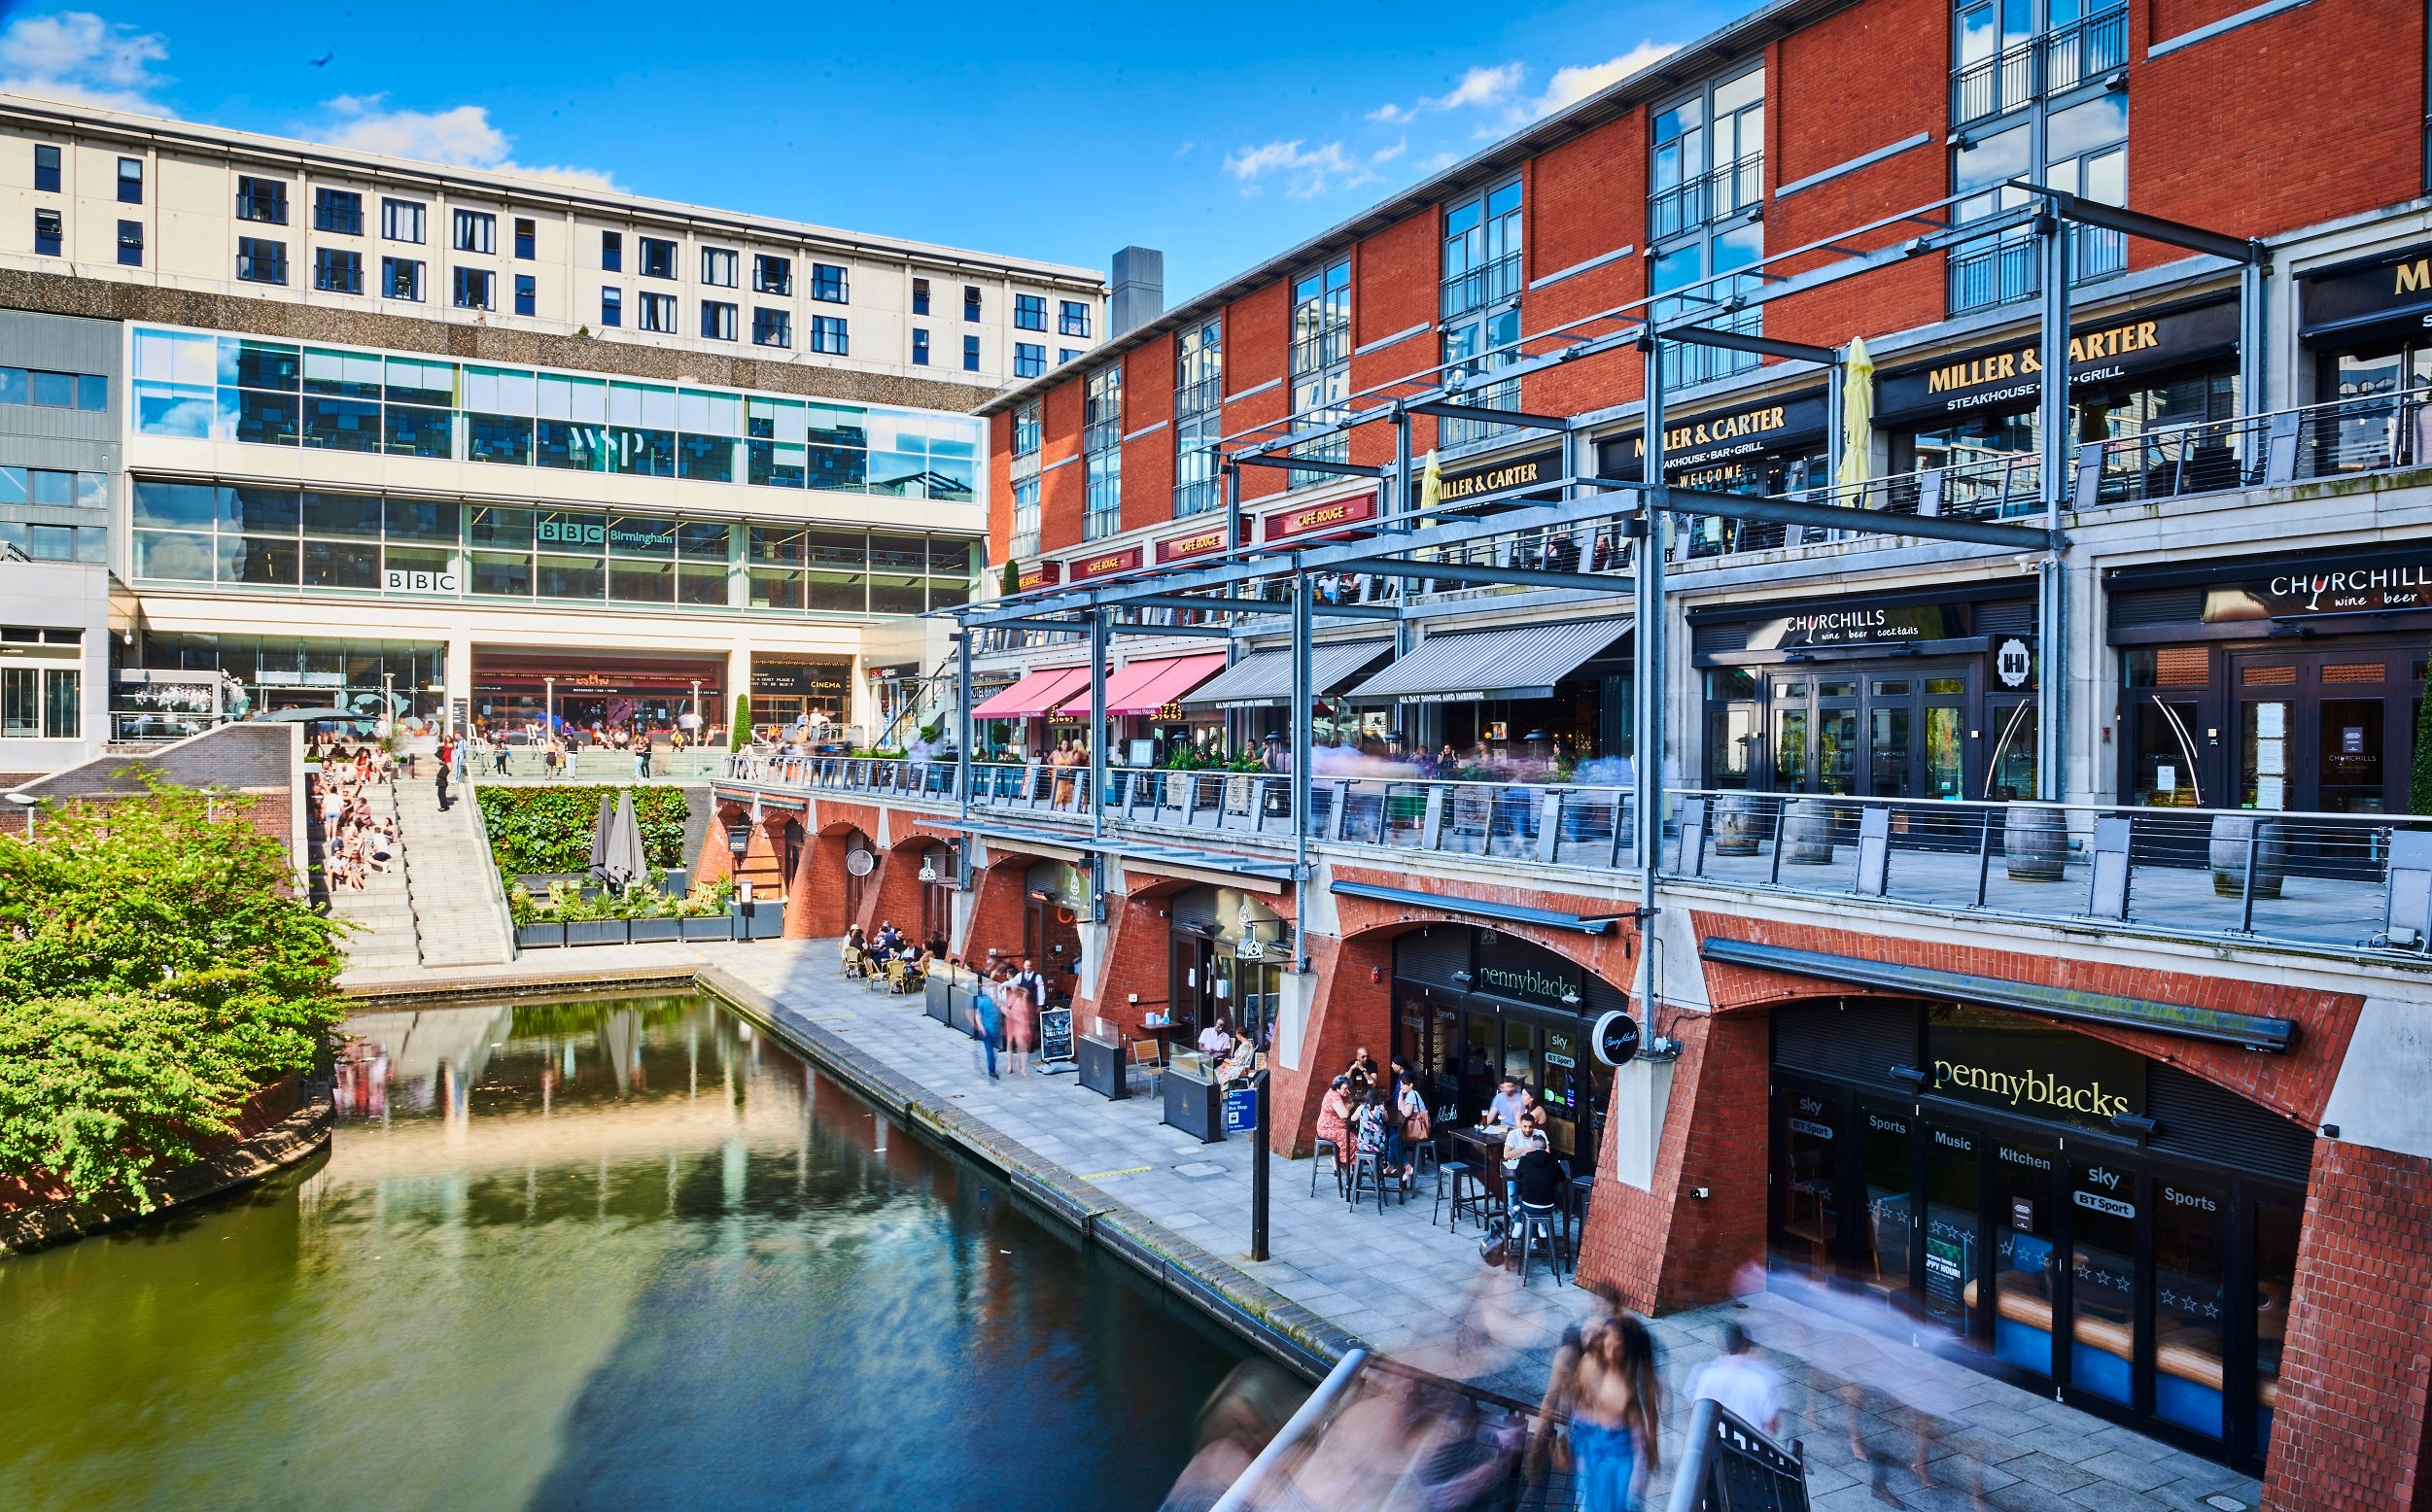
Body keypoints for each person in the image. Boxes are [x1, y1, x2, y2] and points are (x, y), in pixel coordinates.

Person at [1569, 1315, 1661, 1512]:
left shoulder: (1628, 1379)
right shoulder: (1588, 1365)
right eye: (1609, 1342)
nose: (1612, 1349)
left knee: (1620, 1504)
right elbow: (1577, 1402)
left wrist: (1650, 1444)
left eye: (1618, 1344)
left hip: (1620, 1446)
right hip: (1595, 1442)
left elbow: (1640, 1417)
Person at [1686, 1322, 1784, 1439]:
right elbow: (1771, 1424)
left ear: (1722, 1347)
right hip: (1752, 1447)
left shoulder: (1708, 1376)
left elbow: (1698, 1413)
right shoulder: (1761, 1379)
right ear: (1747, 1347)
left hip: (1718, 1445)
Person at [1001, 963, 1038, 1079]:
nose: (1014, 987)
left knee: (1022, 1046)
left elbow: (1026, 992)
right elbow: (1005, 1008)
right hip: (1012, 1022)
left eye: (1015, 986)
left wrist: (1019, 988)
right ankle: (1010, 1065)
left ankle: (1022, 1069)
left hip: (1021, 1023)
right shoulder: (1009, 996)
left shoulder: (1023, 996)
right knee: (1010, 1042)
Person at [970, 968, 1004, 1080]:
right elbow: (978, 1017)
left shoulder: (999, 1003)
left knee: (994, 1052)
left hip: (996, 1031)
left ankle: (992, 1068)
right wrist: (982, 1029)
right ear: (989, 991)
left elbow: (1005, 1012)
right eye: (992, 991)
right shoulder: (984, 1002)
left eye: (995, 991)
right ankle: (992, 1071)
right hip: (987, 1031)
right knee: (990, 1051)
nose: (994, 993)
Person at [434, 735, 454, 810]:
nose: (448, 739)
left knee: (441, 793)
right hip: (444, 759)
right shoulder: (443, 744)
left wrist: (438, 774)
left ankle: (444, 806)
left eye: (449, 738)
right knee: (441, 793)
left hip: (448, 761)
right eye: (446, 738)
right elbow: (438, 748)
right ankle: (443, 806)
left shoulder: (452, 745)